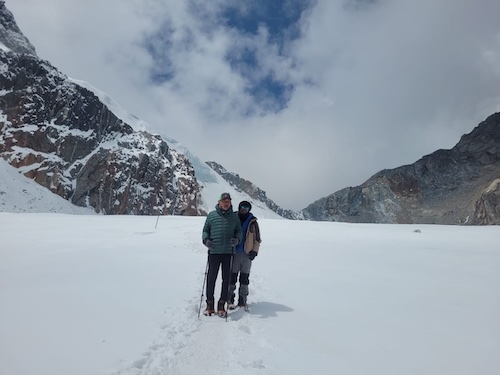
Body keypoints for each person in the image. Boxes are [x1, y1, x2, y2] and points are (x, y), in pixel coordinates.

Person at [202, 193, 242, 317]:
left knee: (226, 280)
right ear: (219, 202)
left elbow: (239, 231)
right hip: (214, 252)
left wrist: (237, 240)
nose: (226, 203)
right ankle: (209, 305)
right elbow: (205, 230)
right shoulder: (211, 215)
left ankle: (221, 305)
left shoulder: (234, 217)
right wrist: (206, 240)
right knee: (211, 278)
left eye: (228, 201)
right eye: (224, 201)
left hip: (228, 253)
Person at [228, 200, 261, 310]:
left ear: (249, 209)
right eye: (242, 207)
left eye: (246, 208)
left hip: (247, 255)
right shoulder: (233, 218)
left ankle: (242, 301)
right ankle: (230, 300)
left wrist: (254, 252)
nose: (244, 209)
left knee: (244, 279)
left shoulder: (253, 223)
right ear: (239, 207)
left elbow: (257, 239)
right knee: (232, 278)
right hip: (234, 253)